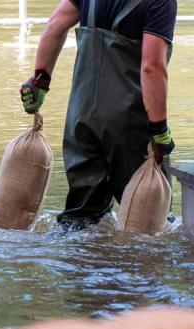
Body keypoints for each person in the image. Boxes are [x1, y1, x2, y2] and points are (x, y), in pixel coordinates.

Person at [20, 0, 177, 229]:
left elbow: (54, 26)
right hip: (130, 125)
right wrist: (159, 128)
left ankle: (74, 260)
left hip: (81, 119)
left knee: (81, 220)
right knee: (150, 222)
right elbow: (151, 66)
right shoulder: (160, 3)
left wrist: (40, 81)